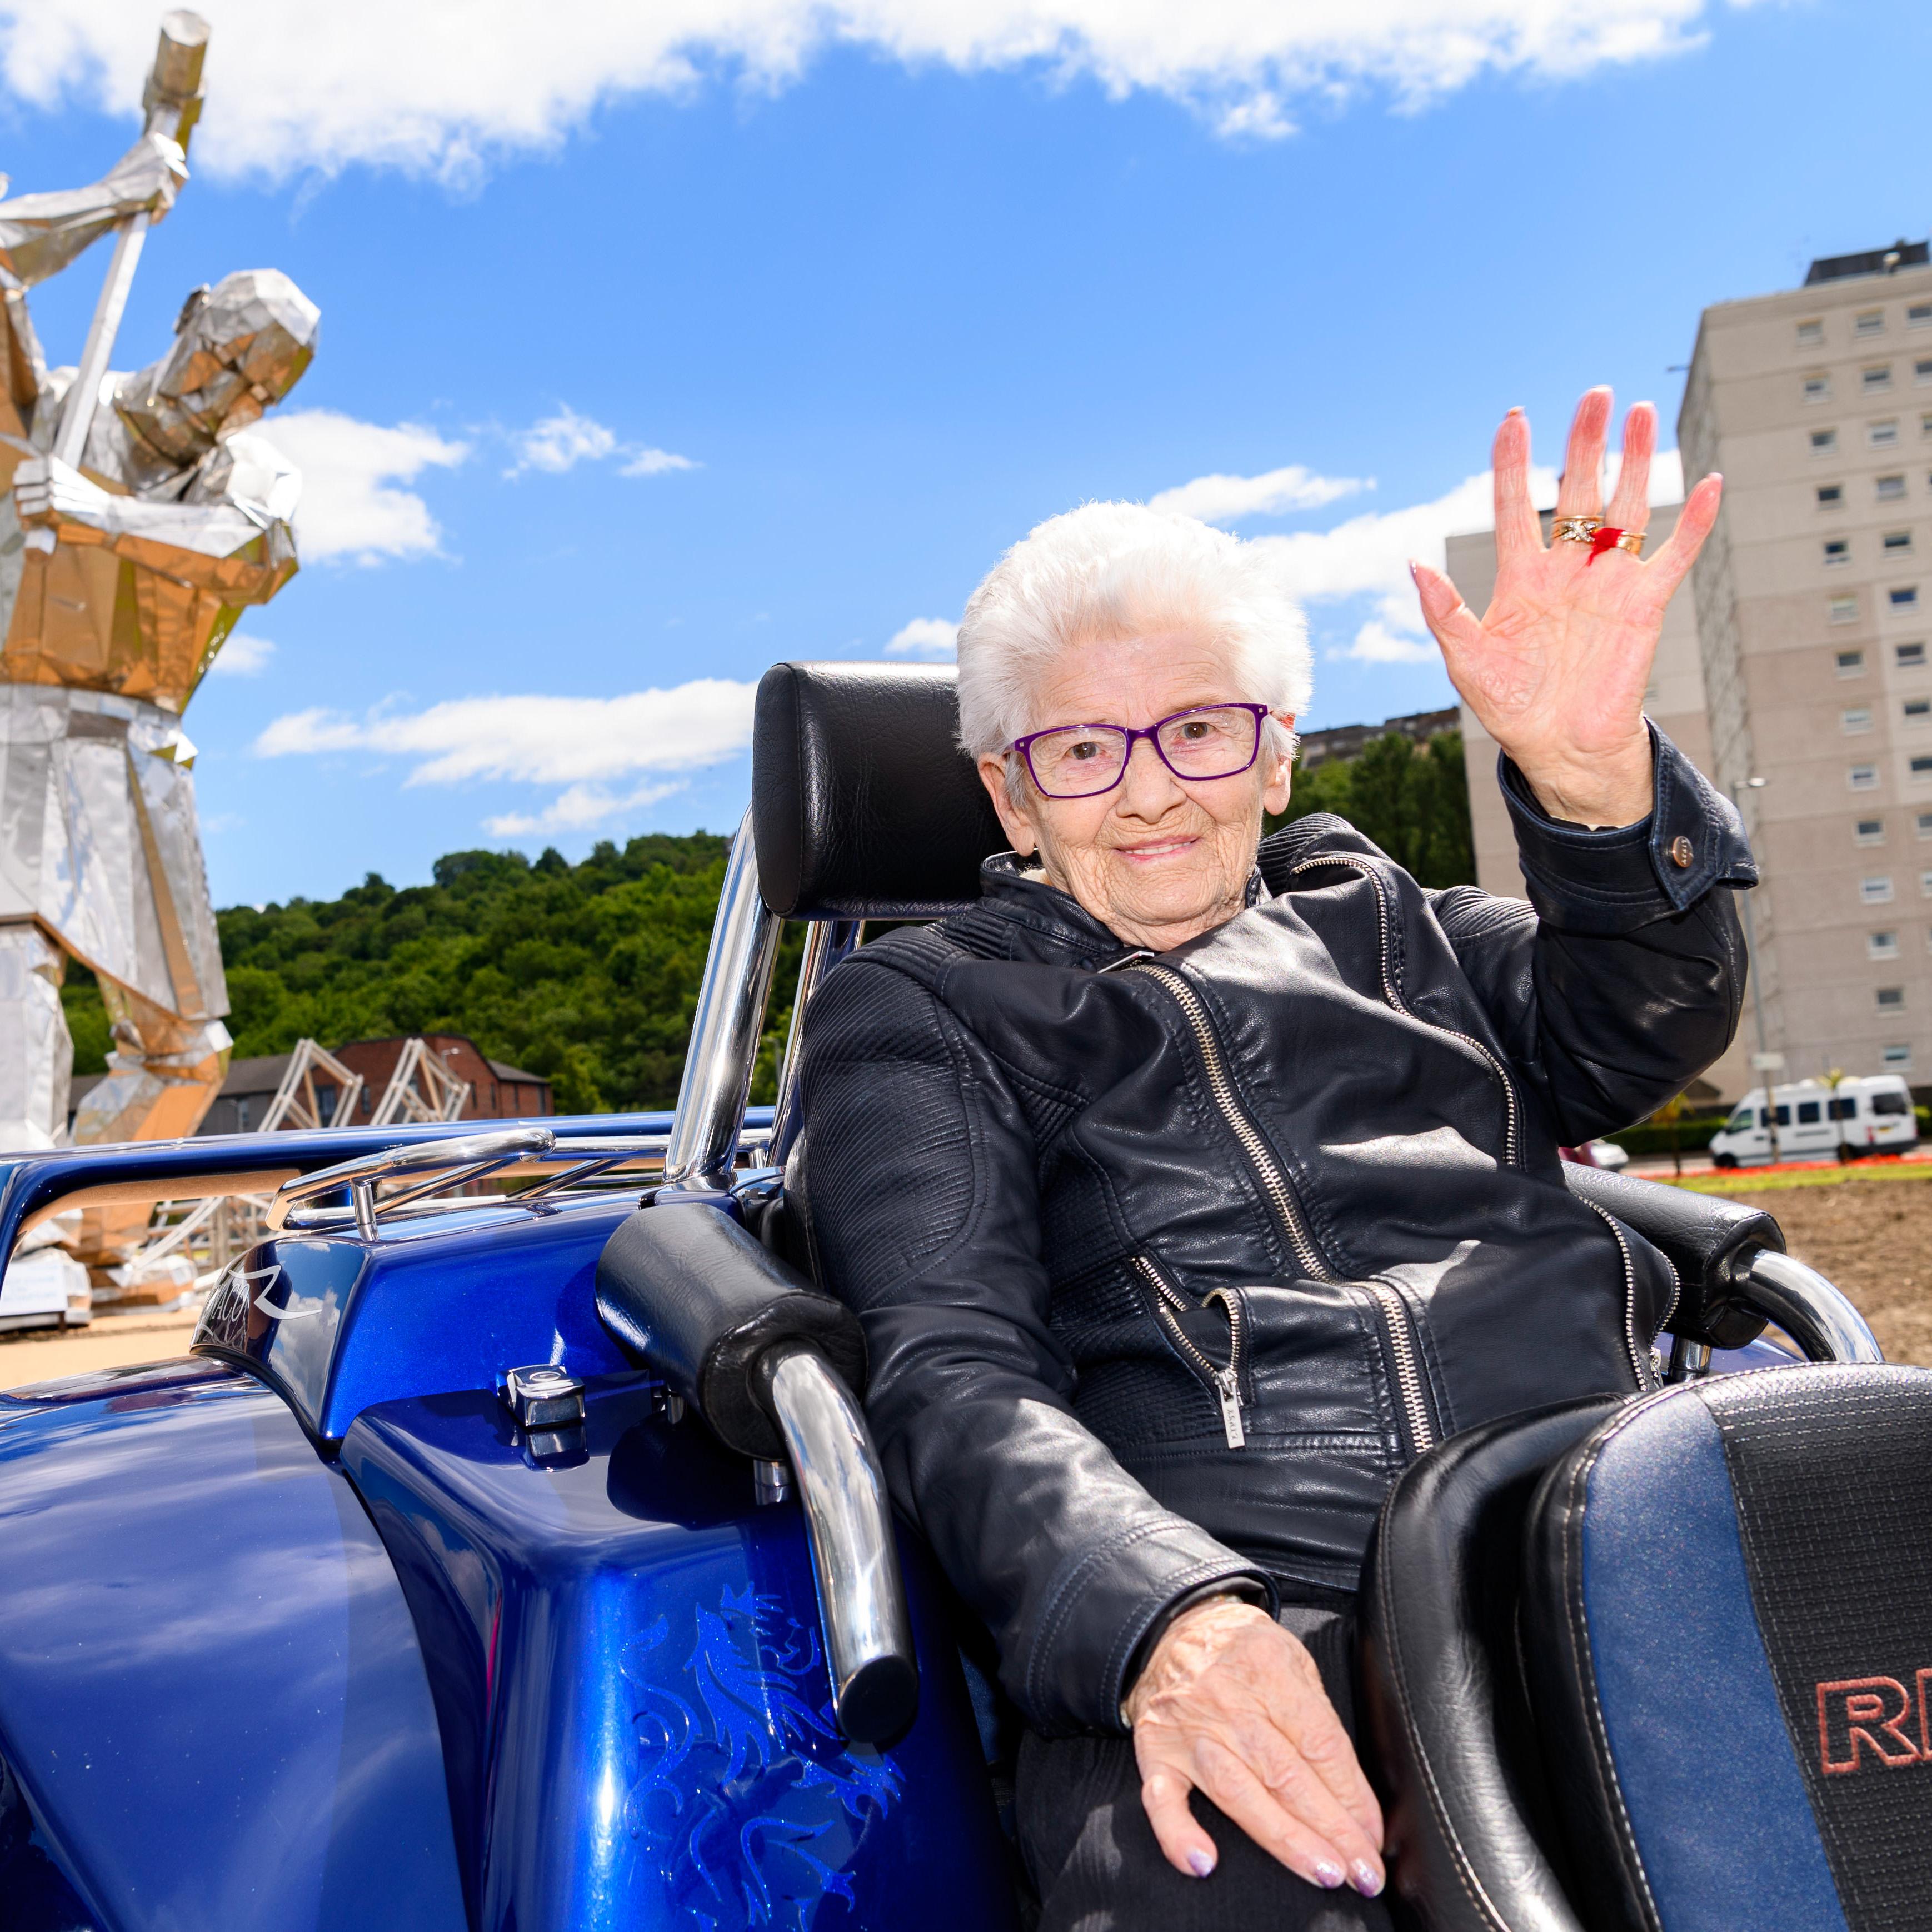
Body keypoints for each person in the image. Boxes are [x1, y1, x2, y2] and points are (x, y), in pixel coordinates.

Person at [796, 390, 1750, 1930]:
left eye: (1193, 728)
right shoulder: (921, 1009)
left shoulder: (1407, 925)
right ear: (1006, 791)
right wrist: (1163, 1618)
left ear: (1275, 754)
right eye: (1079, 749)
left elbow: (1642, 1025)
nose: (1152, 790)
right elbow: (951, 1369)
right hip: (1258, 1597)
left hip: (1595, 1535)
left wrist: (1588, 788)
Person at [0, 126, 318, 1275]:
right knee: (14, 961)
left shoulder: (244, 473)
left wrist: (94, 513)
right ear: (188, 316)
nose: (227, 391)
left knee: (187, 1045)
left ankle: (93, 1232)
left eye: (257, 386)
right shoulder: (53, 407)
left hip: (140, 748)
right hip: (21, 721)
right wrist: (106, 198)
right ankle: (16, 1226)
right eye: (223, 354)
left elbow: (256, 550)